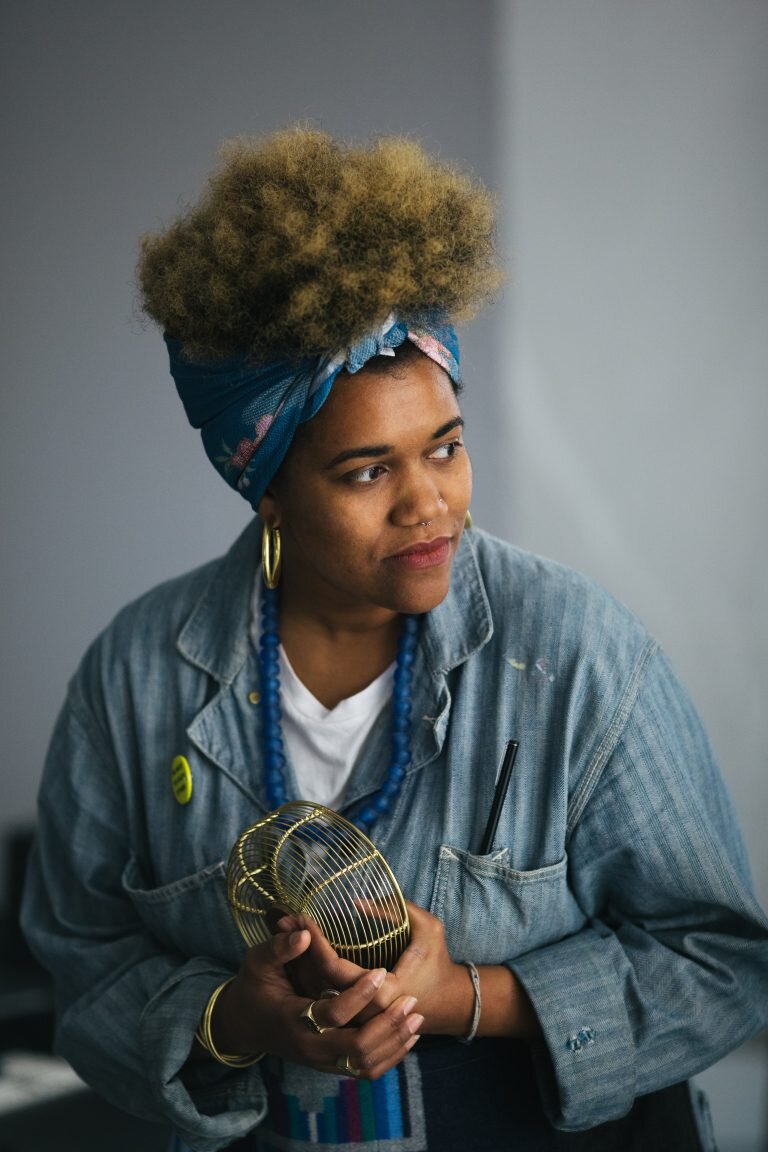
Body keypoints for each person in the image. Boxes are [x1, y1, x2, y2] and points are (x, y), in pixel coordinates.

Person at [22, 128, 768, 1152]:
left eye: (447, 448)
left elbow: (723, 967)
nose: (433, 507)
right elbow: (83, 964)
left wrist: (470, 996)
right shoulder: (135, 680)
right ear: (268, 488)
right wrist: (234, 1021)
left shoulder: (580, 653)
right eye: (368, 470)